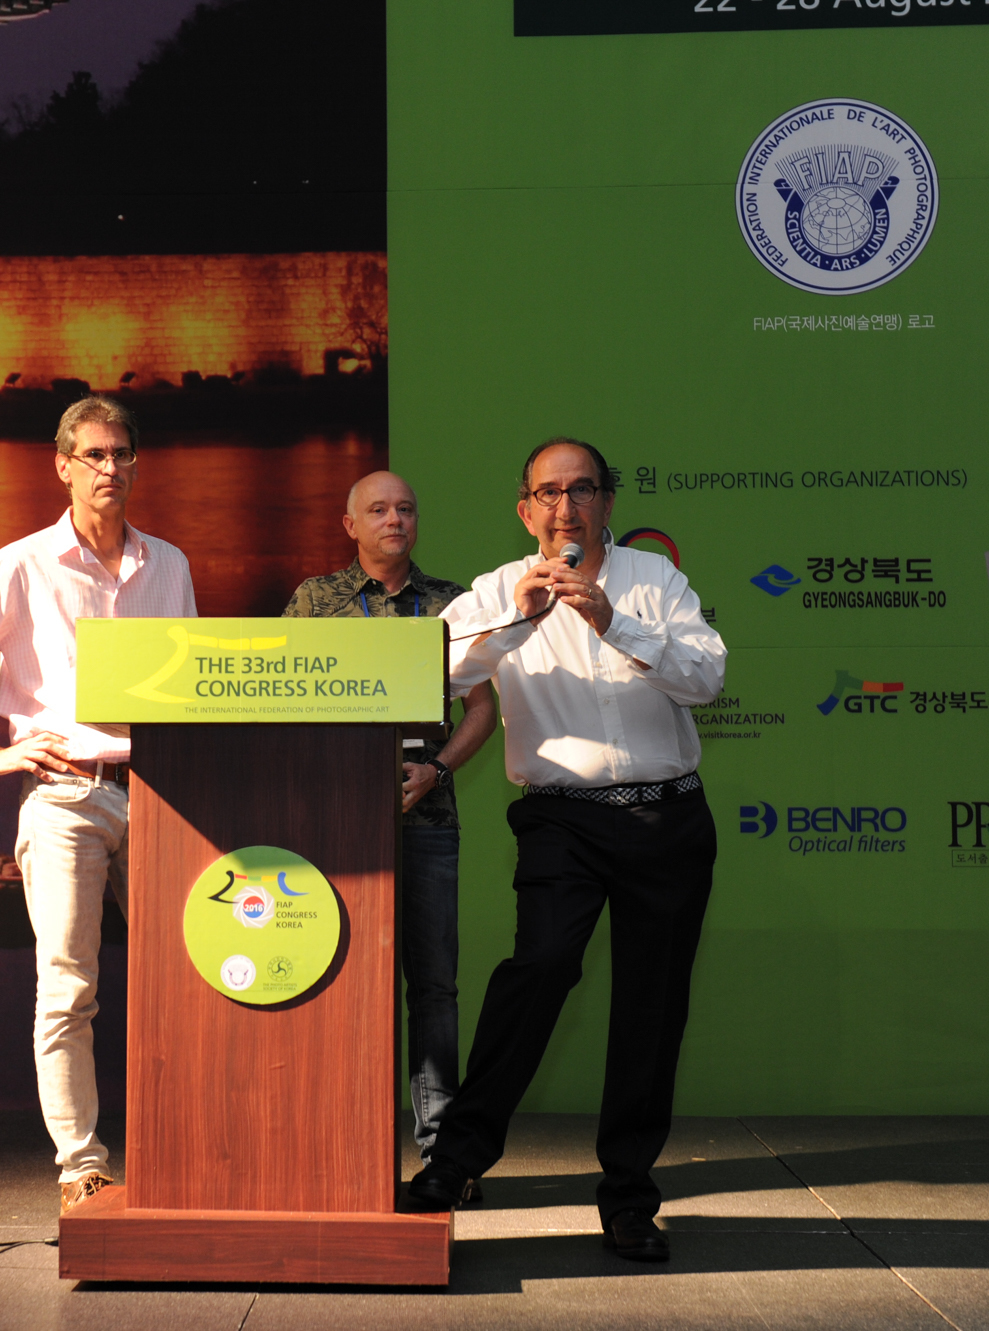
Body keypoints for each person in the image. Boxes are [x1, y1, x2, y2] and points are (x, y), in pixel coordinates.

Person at [406, 438, 726, 1263]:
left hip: (667, 818)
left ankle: (629, 1196)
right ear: (526, 511)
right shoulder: (495, 590)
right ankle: (455, 1162)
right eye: (549, 493)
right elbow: (431, 675)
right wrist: (519, 619)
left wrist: (612, 620)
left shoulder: (655, 581)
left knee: (653, 1003)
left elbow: (707, 678)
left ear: (607, 502)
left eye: (582, 489)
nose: (566, 507)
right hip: (561, 819)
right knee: (539, 969)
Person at [0, 395, 194, 1216]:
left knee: (188, 980)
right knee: (69, 986)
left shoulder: (168, 565)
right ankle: (82, 1166)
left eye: (122, 453)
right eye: (94, 454)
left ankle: (187, 1150)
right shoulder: (22, 564)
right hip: (65, 797)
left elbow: (187, 682)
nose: (111, 468)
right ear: (63, 465)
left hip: (159, 794)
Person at [281, 471, 499, 1189]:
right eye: (378, 510)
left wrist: (435, 769)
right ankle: (342, 1150)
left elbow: (482, 709)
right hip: (336, 830)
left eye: (405, 508)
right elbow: (277, 704)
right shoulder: (315, 601)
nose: (394, 519)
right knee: (340, 984)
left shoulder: (452, 605)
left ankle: (444, 1158)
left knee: (433, 988)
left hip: (427, 821)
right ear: (351, 525)